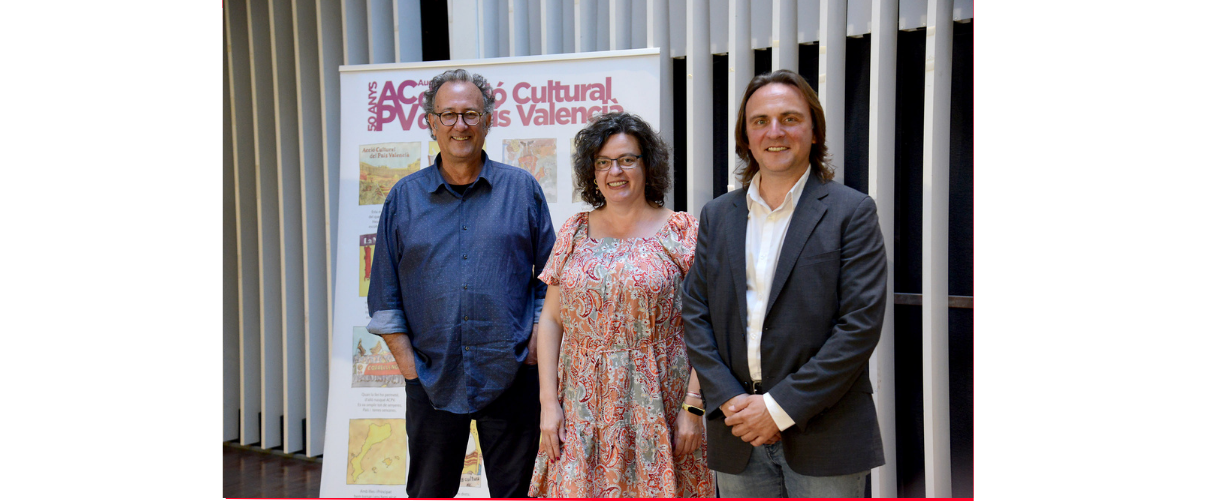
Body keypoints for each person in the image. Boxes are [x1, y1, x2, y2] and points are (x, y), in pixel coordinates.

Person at [681, 69, 889, 498]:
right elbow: (695, 312)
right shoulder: (718, 216)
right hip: (737, 431)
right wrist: (732, 402)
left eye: (789, 118)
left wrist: (777, 410)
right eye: (760, 121)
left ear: (814, 131)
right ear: (746, 137)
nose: (774, 131)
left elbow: (859, 328)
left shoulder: (852, 212)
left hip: (825, 435)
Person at [366, 68, 556, 498]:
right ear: (430, 123)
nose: (460, 125)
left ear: (488, 120)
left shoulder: (522, 190)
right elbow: (384, 294)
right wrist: (411, 367)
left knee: (518, 493)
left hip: (512, 376)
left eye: (470, 114)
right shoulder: (402, 198)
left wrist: (531, 349)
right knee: (430, 494)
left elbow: (552, 281)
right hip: (432, 379)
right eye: (448, 115)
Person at [528, 112, 713, 498]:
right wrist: (549, 403)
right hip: (581, 406)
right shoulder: (574, 231)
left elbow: (710, 323)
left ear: (648, 165)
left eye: (628, 159)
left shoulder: (682, 232)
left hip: (661, 403)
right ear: (592, 172)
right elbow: (550, 320)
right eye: (604, 162)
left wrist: (694, 406)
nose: (617, 171)